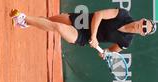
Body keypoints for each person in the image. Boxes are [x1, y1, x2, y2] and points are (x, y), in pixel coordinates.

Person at [10, 8, 156, 58]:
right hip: (83, 20)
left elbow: (112, 51)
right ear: (142, 19)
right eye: (144, 23)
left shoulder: (126, 42)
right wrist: (94, 36)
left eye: (144, 29)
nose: (141, 26)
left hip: (83, 37)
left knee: (57, 27)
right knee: (49, 21)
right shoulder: (123, 14)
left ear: (143, 34)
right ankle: (26, 22)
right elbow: (99, 15)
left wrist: (105, 52)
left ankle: (22, 18)